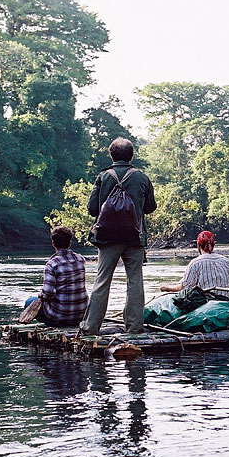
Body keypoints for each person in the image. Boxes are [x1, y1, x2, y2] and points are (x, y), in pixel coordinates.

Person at [79, 137, 157, 334]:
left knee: (102, 280)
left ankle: (90, 327)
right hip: (134, 237)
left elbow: (91, 209)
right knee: (135, 281)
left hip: (107, 238)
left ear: (111, 155)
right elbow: (150, 208)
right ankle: (134, 327)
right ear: (131, 156)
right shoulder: (142, 177)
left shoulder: (103, 177)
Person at [24, 226, 89, 326]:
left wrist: (40, 295)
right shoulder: (81, 260)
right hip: (80, 314)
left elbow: (48, 293)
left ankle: (54, 324)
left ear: (53, 244)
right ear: (70, 243)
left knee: (29, 302)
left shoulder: (51, 264)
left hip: (60, 317)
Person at [159, 230, 229, 299]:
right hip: (225, 303)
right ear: (213, 245)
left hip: (206, 305)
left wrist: (166, 287)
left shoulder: (195, 263)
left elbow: (183, 288)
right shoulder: (227, 261)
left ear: (198, 245)